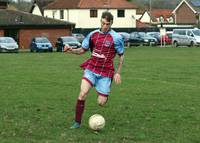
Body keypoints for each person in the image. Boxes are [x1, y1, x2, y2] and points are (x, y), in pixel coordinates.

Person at [64, 11, 124, 129]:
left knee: (101, 103)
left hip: (106, 72)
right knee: (82, 94)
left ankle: (103, 92)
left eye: (107, 24)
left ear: (111, 23)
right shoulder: (93, 35)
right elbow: (82, 50)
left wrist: (117, 72)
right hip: (91, 68)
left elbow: (121, 55)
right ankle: (77, 122)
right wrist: (71, 50)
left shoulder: (116, 38)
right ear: (100, 21)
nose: (104, 26)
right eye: (103, 23)